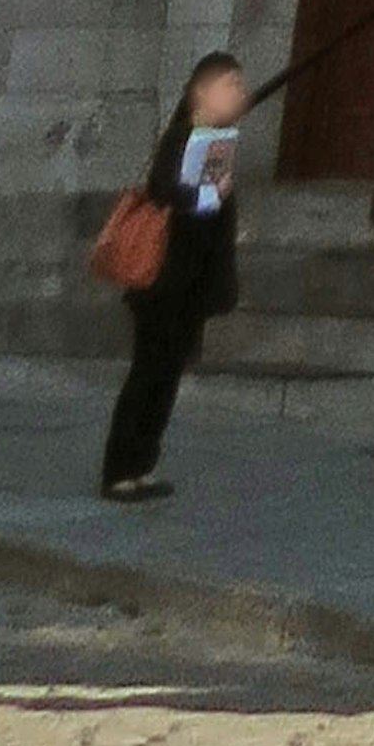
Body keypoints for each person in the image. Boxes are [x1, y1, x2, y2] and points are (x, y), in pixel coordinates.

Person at [98, 51, 248, 500]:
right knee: (147, 372)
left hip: (192, 282)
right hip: (162, 279)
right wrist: (209, 196)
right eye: (230, 85)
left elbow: (212, 211)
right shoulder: (180, 139)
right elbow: (165, 190)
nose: (238, 94)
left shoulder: (220, 141)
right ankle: (118, 469)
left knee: (167, 376)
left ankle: (143, 464)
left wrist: (226, 218)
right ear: (202, 92)